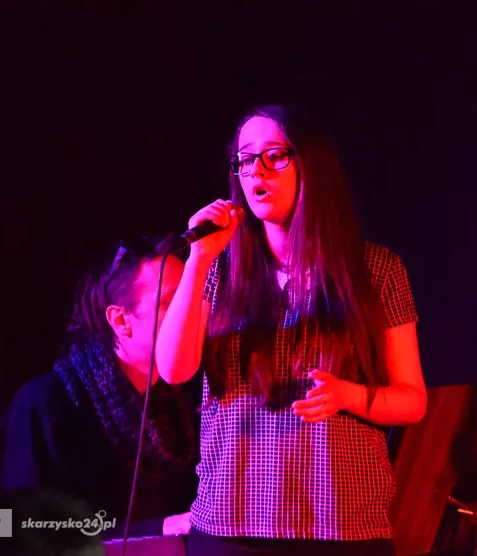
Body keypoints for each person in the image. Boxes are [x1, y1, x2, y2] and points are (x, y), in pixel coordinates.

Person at [154, 105, 427, 556]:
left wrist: (347, 395)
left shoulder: (376, 270)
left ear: (311, 165)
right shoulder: (219, 269)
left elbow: (412, 400)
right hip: (232, 522)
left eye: (274, 156)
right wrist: (199, 259)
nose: (256, 170)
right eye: (245, 159)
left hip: (340, 525)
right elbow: (172, 369)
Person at [0, 233, 199, 538]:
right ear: (121, 321)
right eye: (171, 302)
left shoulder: (180, 407)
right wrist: (158, 529)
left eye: (192, 298)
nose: (189, 313)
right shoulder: (48, 405)